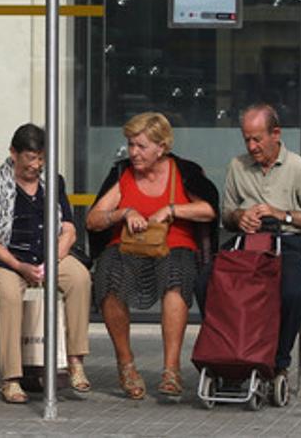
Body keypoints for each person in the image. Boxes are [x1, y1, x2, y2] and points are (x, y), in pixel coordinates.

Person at [86, 112, 218, 400]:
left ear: (162, 146)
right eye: (131, 145)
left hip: (175, 245)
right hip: (127, 247)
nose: (133, 153)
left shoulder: (184, 171)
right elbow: (93, 219)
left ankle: (171, 369)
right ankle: (126, 364)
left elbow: (209, 209)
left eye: (141, 146)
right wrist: (124, 212)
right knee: (109, 275)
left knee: (175, 276)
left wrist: (172, 210)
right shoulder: (123, 173)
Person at [0, 123, 92, 404]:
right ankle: (11, 378)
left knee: (80, 278)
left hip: (49, 256)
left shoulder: (54, 182)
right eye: (30, 158)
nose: (36, 165)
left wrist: (53, 260)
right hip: (9, 259)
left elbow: (69, 230)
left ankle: (75, 360)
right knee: (10, 295)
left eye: (41, 158)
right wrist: (19, 266)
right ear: (14, 153)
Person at [222, 103, 301, 379]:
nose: (251, 146)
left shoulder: (299, 168)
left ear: (276, 134)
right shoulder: (238, 166)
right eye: (246, 139)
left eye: (257, 139)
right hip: (246, 244)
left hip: (285, 241)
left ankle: (278, 362)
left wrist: (283, 215)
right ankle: (229, 354)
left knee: (294, 294)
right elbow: (226, 215)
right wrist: (240, 216)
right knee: (207, 283)